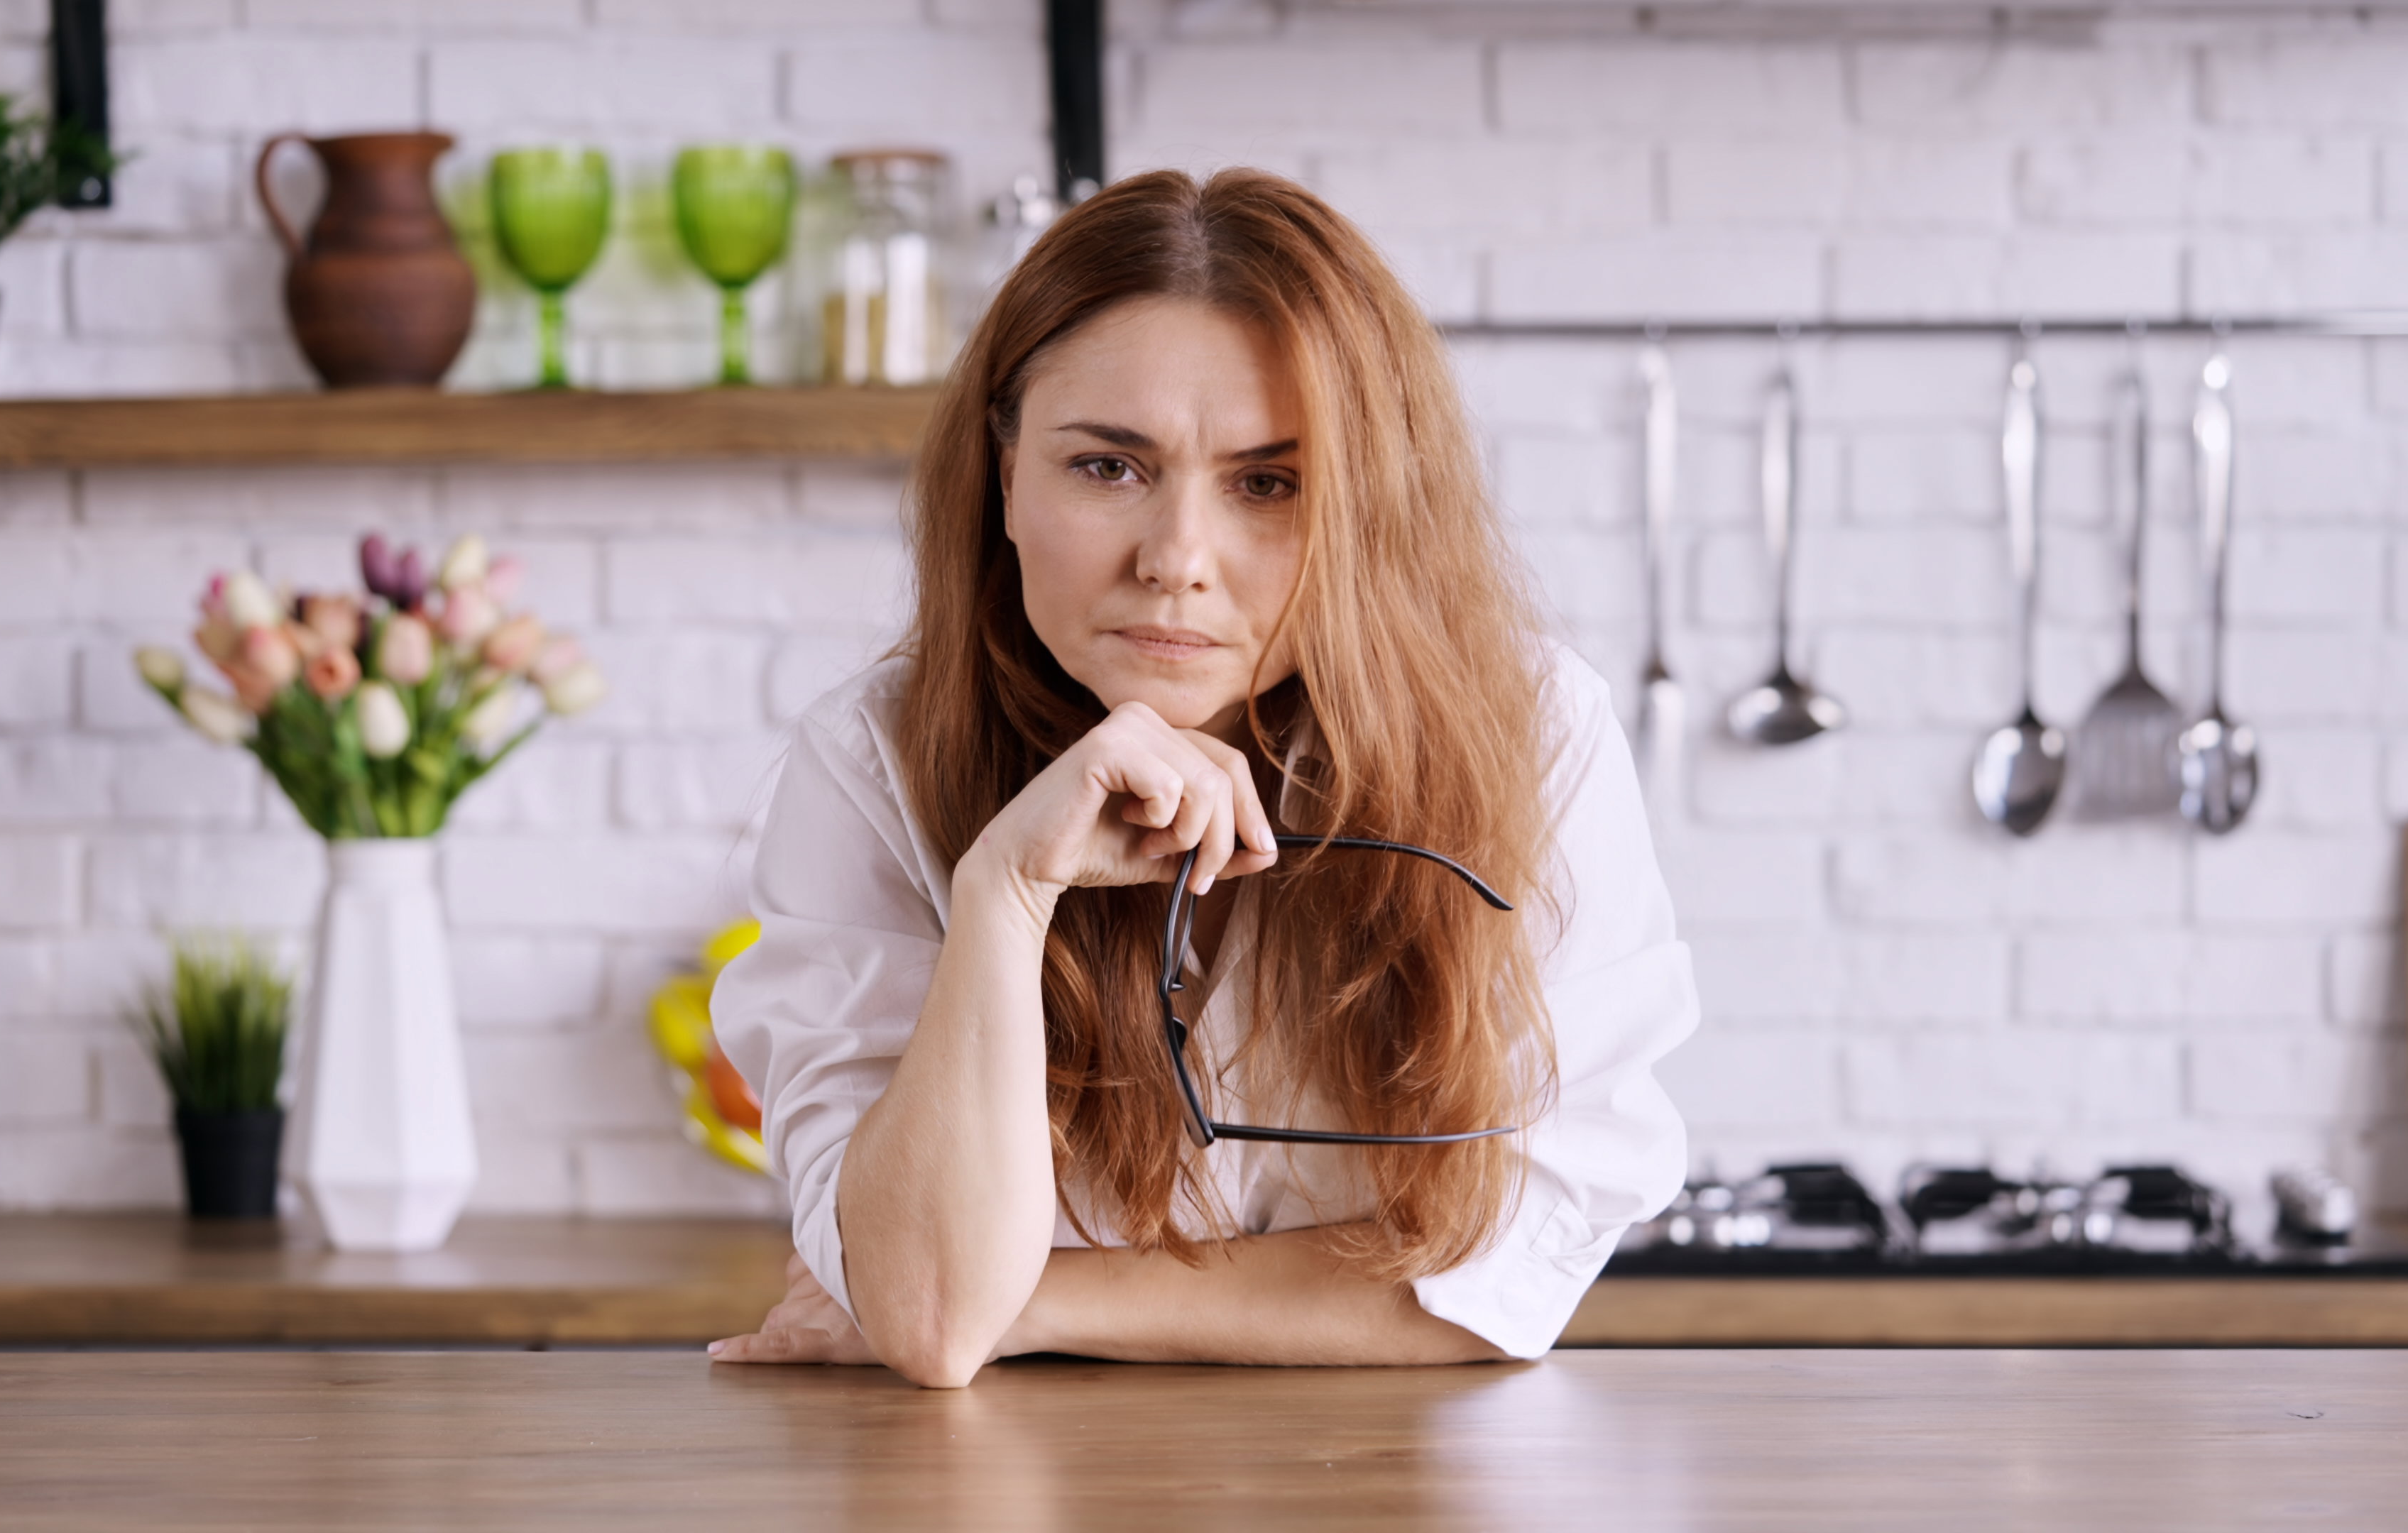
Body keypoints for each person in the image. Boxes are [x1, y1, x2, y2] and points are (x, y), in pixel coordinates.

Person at [708, 168, 1696, 1389]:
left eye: (1267, 484)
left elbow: (1501, 1275)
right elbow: (931, 1312)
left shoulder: (1533, 734)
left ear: (1369, 507)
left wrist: (1037, 1299)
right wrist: (1007, 893)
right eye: (1108, 468)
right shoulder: (874, 759)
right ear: (1006, 475)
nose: (1177, 560)